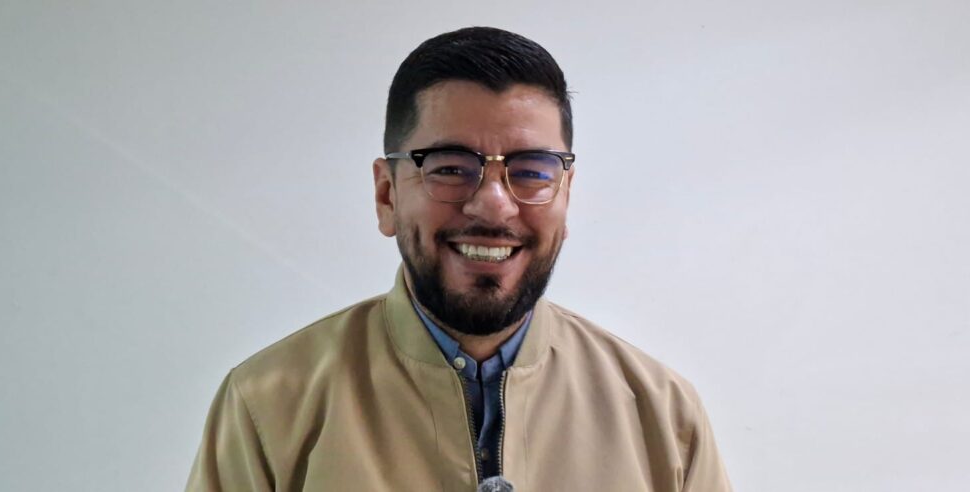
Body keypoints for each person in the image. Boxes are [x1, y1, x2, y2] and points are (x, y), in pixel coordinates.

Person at [186, 27, 732, 492]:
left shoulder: (663, 416)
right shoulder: (269, 405)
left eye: (531, 170)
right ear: (387, 195)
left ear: (566, 195)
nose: (493, 205)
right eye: (449, 167)